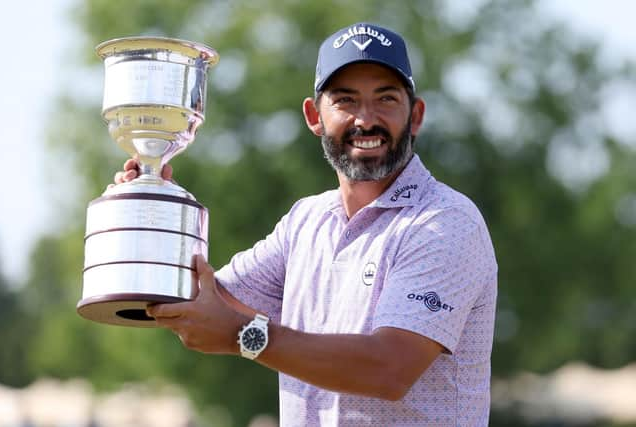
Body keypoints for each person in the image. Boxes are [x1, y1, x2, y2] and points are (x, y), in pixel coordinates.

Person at [115, 22, 498, 427]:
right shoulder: (306, 222)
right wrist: (151, 213)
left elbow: (389, 369)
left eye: (385, 99)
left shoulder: (445, 222)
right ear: (314, 116)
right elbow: (205, 303)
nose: (365, 120)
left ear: (415, 115)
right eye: (346, 100)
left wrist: (241, 336)